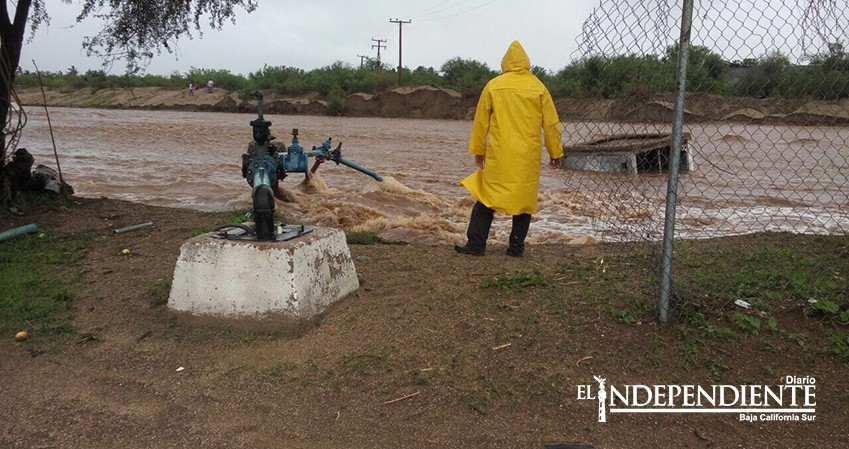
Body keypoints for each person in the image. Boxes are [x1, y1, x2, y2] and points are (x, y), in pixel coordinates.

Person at [455, 40, 564, 257]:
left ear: (504, 63)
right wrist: (556, 152)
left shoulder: (494, 85)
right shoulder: (538, 87)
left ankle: (476, 245)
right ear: (527, 63)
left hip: (500, 154)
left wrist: (479, 150)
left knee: (486, 198)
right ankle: (516, 248)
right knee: (524, 202)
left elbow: (480, 122)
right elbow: (552, 123)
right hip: (527, 156)